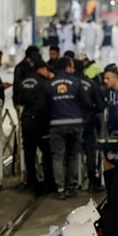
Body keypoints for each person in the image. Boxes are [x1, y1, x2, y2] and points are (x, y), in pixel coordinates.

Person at [46, 58, 92, 200]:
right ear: (67, 68)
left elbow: (44, 105)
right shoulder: (76, 82)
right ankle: (71, 186)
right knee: (73, 155)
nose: (73, 69)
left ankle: (60, 188)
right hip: (75, 123)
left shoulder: (49, 84)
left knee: (57, 157)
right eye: (71, 67)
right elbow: (87, 103)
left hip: (57, 124)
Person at [15, 60, 56, 196]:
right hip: (40, 121)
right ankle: (48, 182)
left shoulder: (23, 82)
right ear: (42, 69)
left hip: (26, 119)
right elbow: (46, 102)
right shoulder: (43, 82)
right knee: (46, 152)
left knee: (29, 153)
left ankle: (31, 182)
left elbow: (18, 100)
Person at [74, 59, 107, 193]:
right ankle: (92, 183)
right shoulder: (91, 84)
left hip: (72, 123)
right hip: (88, 124)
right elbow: (101, 106)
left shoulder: (70, 84)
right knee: (90, 153)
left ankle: (71, 183)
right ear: (84, 69)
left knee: (70, 154)